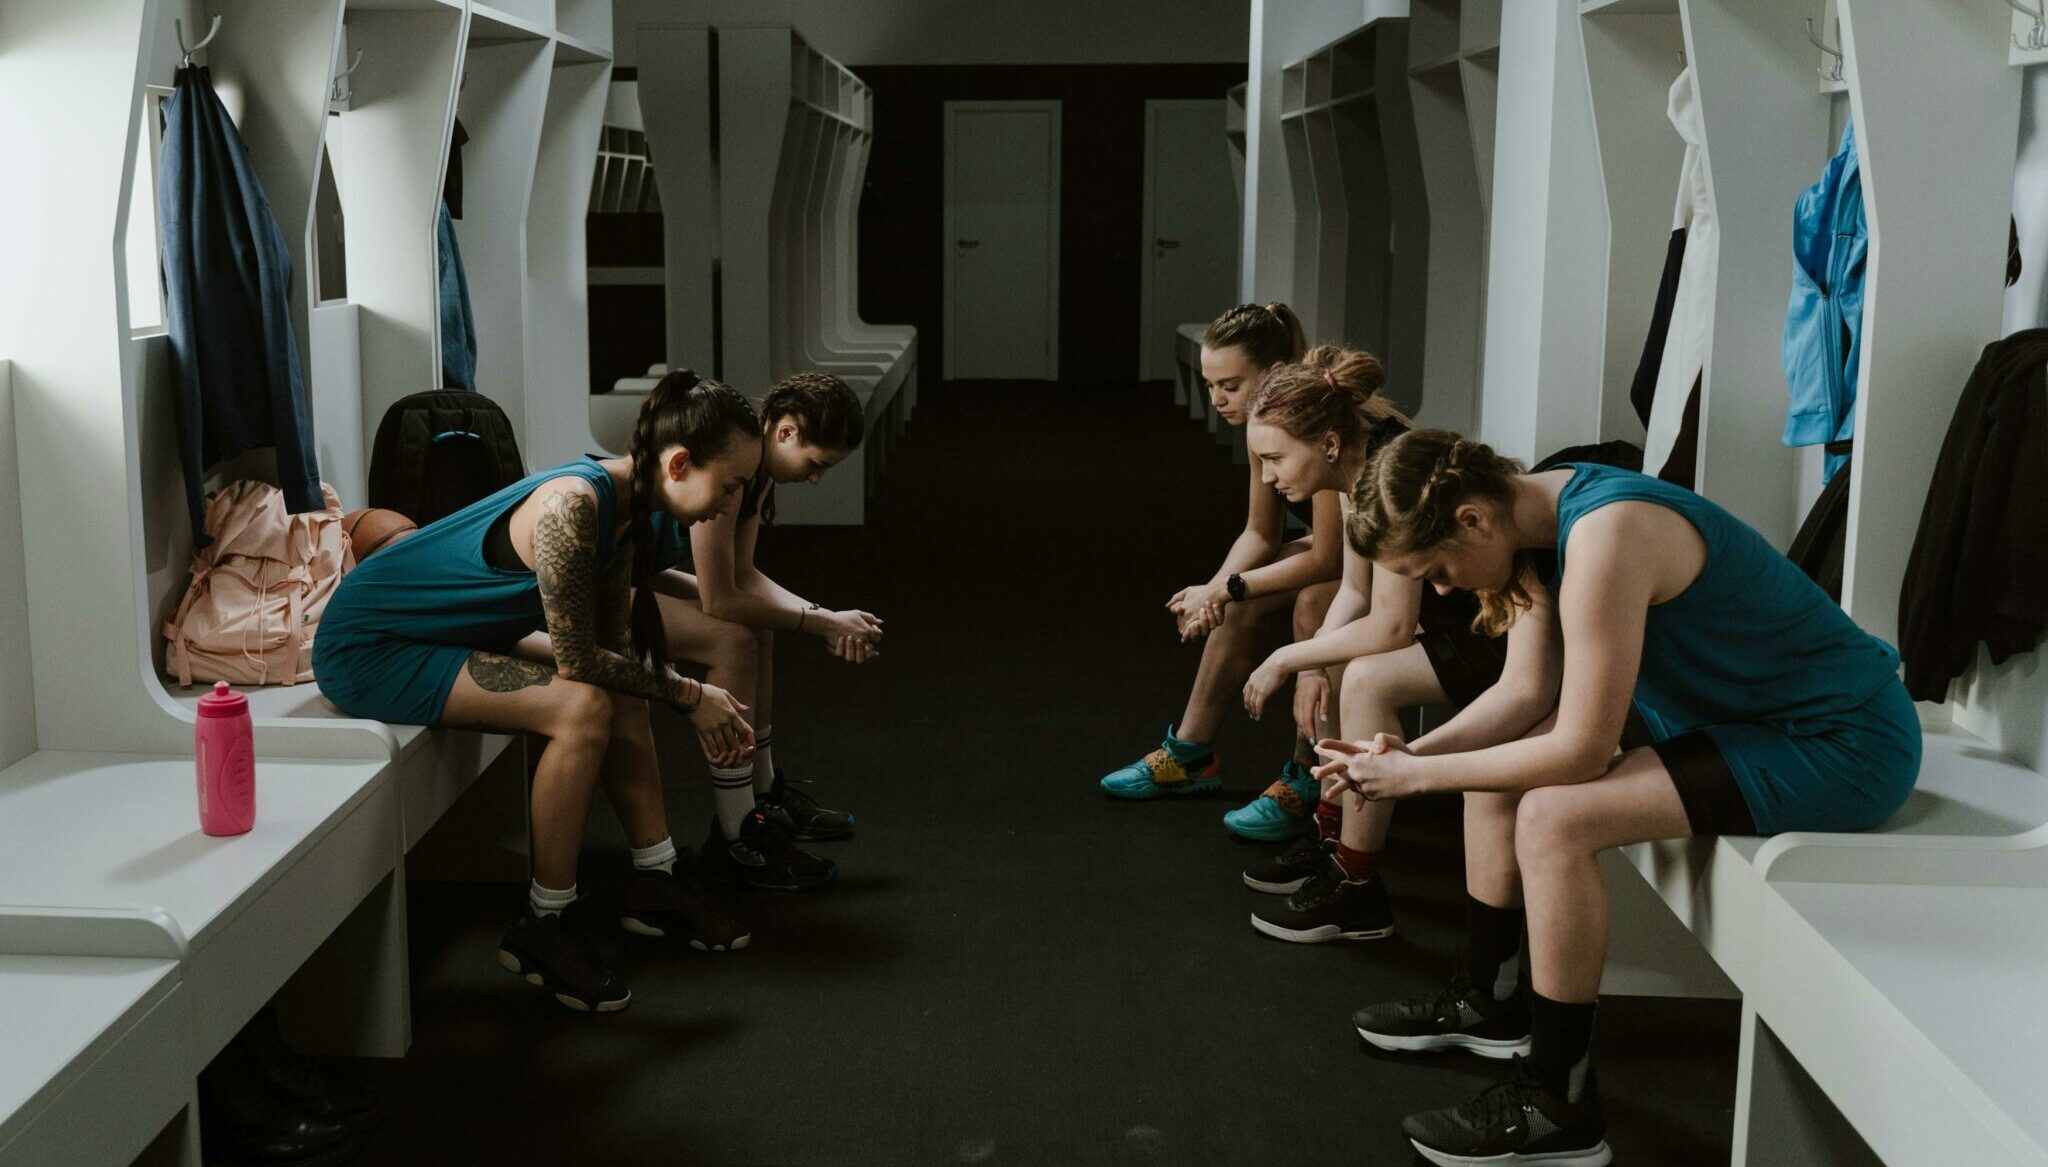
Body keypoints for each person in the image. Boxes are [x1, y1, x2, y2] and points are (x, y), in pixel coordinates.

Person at [1322, 430, 1919, 1167]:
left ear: (1473, 518)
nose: (1442, 588)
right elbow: (1523, 693)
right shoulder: (1533, 515)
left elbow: (1577, 750)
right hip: (1736, 717)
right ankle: (1487, 997)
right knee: (1498, 773)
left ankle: (1560, 1101)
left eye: (1437, 567)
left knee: (1552, 817)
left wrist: (1413, 780)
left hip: (1839, 738)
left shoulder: (1607, 532)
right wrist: (1415, 754)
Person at [313, 372, 763, 1013]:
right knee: (581, 709)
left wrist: (678, 693)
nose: (732, 502)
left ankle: (656, 880)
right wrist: (693, 695)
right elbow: (580, 664)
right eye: (731, 484)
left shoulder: (629, 509)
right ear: (681, 463)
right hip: (373, 647)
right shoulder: (572, 507)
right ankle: (543, 926)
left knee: (617, 690)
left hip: (449, 632)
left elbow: (606, 653)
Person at [1225, 347, 1505, 943]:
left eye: (1274, 458)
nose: (1268, 477)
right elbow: (1354, 590)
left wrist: (1288, 658)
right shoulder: (1352, 471)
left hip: (1495, 633)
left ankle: (1356, 885)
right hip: (1451, 624)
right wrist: (1314, 664)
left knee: (1368, 676)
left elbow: (1391, 626)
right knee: (1338, 662)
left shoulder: (1386, 471)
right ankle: (1333, 843)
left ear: (1326, 443)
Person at [1098, 303, 1341, 837]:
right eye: (1210, 385)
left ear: (1275, 372)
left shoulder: (1316, 420)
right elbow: (1261, 532)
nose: (1217, 399)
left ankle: (1308, 776)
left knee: (1313, 603)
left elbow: (1331, 556)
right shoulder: (1266, 419)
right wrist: (1214, 592)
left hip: (1393, 558)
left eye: (1230, 384)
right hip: (1343, 550)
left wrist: (1228, 589)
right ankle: (1189, 756)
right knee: (1238, 601)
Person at [676, 372, 884, 889]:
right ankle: (736, 836)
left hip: (638, 574)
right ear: (786, 432)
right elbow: (719, 597)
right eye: (815, 465)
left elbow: (743, 576)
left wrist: (827, 617)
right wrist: (819, 625)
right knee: (735, 636)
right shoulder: (730, 461)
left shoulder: (757, 468)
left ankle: (763, 797)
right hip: (596, 584)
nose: (814, 480)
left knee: (757, 630)